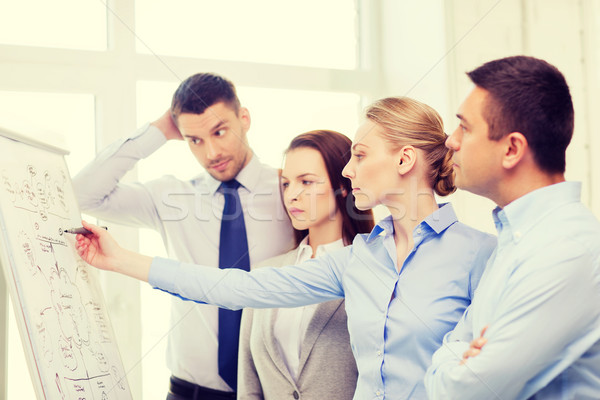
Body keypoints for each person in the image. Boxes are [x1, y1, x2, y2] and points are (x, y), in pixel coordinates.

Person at [75, 96, 497, 399]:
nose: (349, 170)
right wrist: (121, 259)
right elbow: (236, 289)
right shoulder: (358, 260)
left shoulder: (482, 256)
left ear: (404, 161)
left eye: (361, 155)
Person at [72, 73, 294, 400]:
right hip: (190, 392)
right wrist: (160, 129)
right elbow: (84, 194)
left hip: (274, 389)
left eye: (220, 131)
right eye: (195, 140)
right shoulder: (171, 196)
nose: (212, 152)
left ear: (244, 118)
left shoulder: (291, 191)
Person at [423, 55, 600, 399]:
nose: (451, 141)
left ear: (512, 149)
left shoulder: (565, 248)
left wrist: (455, 359)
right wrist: (458, 354)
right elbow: (456, 343)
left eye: (465, 127)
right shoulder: (517, 237)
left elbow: (464, 392)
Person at [237, 130, 374, 400]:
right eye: (286, 184)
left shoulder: (371, 271)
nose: (292, 195)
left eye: (306, 182)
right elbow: (248, 383)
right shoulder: (266, 274)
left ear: (343, 185)